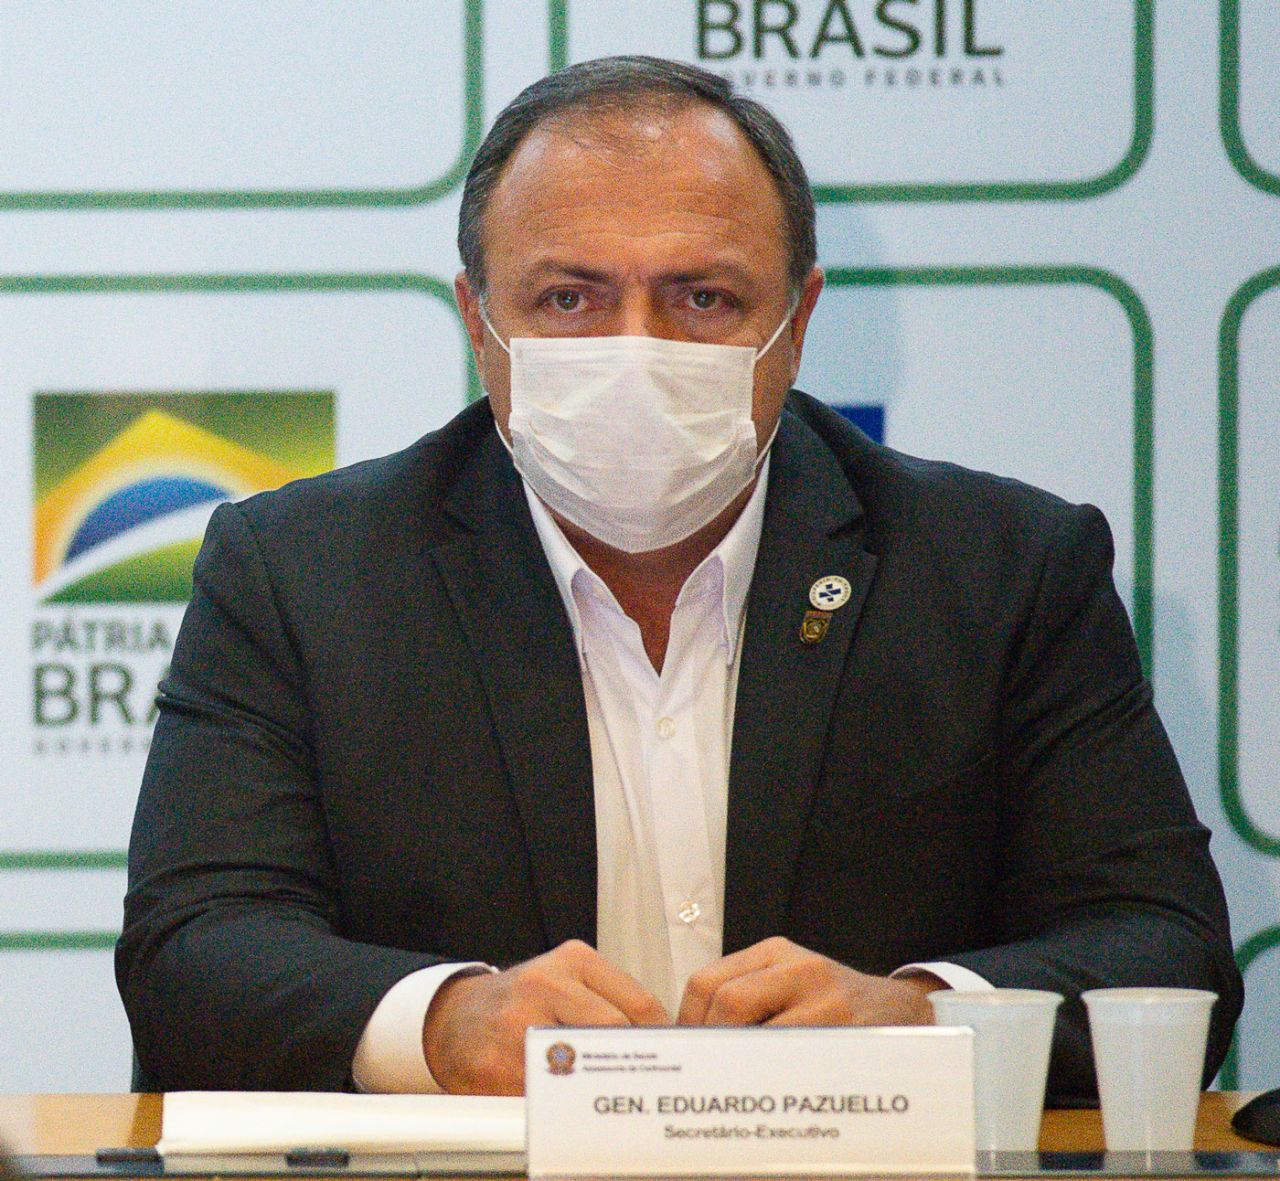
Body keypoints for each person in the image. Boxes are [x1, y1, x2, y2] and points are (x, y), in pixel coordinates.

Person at [117, 55, 1241, 1101]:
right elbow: (193, 957)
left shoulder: (1001, 571)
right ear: (478, 321)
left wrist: (919, 1017)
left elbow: (1159, 946)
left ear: (794, 325)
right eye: (568, 298)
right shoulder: (299, 576)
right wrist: (448, 1022)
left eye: (702, 298)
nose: (632, 347)